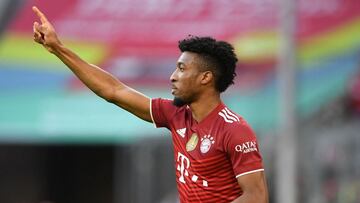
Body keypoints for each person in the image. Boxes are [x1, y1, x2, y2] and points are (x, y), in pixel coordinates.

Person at [32, 6, 268, 203]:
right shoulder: (175, 114)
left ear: (205, 78)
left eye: (182, 68)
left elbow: (256, 197)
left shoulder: (234, 129)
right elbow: (114, 90)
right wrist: (58, 49)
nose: (173, 76)